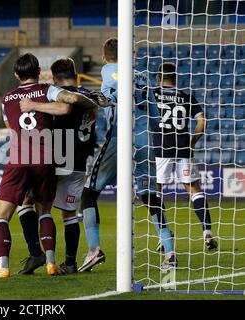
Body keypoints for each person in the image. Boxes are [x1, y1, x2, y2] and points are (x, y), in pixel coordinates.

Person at [0, 53, 98, 278]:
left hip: (20, 160)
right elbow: (66, 106)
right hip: (46, 160)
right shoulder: (46, 90)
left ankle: (2, 266)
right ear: (39, 72)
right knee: (46, 211)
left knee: (2, 214)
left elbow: (11, 128)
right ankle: (50, 262)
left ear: (15, 75)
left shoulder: (7, 98)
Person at [79, 38, 175, 273]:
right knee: (150, 196)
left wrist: (105, 101)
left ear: (104, 56)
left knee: (88, 194)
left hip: (120, 138)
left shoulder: (109, 71)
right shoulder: (142, 76)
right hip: (144, 139)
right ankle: (170, 251)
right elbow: (154, 115)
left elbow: (112, 97)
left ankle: (94, 250)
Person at [15, 58, 105, 275]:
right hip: (80, 160)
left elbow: (60, 111)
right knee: (70, 214)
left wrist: (33, 105)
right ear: (75, 73)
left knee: (28, 204)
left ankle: (39, 254)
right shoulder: (87, 95)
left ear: (54, 77)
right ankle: (70, 262)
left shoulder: (55, 94)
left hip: (57, 156)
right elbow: (94, 109)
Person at [153, 62, 218, 254]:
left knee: (155, 191)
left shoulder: (152, 95)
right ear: (175, 78)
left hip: (160, 147)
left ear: (158, 77)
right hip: (183, 148)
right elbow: (202, 122)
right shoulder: (187, 97)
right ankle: (207, 231)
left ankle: (163, 236)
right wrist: (192, 142)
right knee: (194, 189)